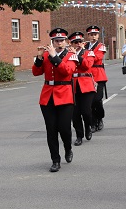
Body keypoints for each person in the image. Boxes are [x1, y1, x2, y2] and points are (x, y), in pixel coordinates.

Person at [32, 28, 78, 172]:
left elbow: (67, 71)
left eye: (62, 40)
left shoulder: (71, 54)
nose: (59, 43)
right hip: (48, 96)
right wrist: (39, 58)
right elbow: (36, 72)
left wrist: (54, 57)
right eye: (56, 40)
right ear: (52, 42)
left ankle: (68, 148)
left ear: (65, 41)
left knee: (64, 128)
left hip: (64, 95)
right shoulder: (46, 54)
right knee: (51, 130)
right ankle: (55, 160)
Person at [68, 31, 96, 146]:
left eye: (79, 42)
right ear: (71, 44)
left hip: (86, 84)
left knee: (86, 111)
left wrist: (77, 56)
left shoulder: (88, 53)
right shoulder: (67, 54)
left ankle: (88, 126)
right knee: (75, 113)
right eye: (75, 42)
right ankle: (79, 135)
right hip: (72, 85)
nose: (78, 44)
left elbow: (87, 66)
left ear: (83, 43)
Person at [85, 25, 108, 132]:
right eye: (91, 35)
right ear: (88, 36)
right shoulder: (84, 45)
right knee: (89, 102)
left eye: (95, 34)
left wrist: (86, 56)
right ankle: (93, 122)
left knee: (97, 99)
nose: (93, 37)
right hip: (87, 76)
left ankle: (100, 118)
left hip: (98, 75)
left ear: (98, 35)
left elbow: (98, 57)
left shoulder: (101, 46)